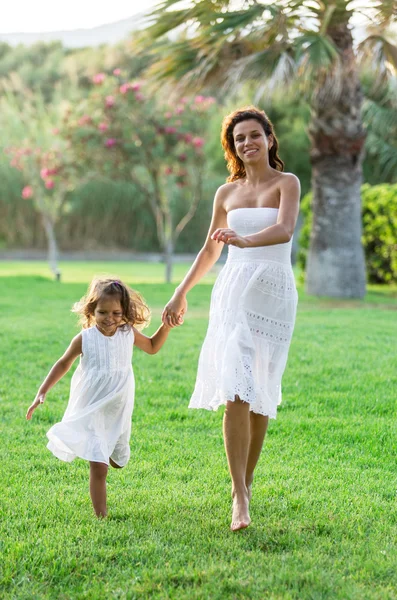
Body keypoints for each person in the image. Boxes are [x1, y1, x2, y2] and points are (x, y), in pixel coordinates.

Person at [162, 106, 300, 531]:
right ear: (233, 146)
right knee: (236, 390)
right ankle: (239, 495)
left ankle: (248, 480)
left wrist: (244, 238)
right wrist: (181, 291)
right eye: (239, 138)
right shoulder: (226, 193)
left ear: (269, 139)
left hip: (273, 293)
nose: (248, 143)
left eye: (254, 135)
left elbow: (284, 230)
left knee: (259, 394)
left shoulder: (287, 183)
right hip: (234, 293)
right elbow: (209, 251)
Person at [26, 277, 176, 518]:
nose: (110, 318)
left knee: (118, 460)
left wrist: (166, 326)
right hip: (92, 405)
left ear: (124, 312)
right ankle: (101, 516)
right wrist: (42, 391)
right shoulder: (85, 338)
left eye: (117, 312)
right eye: (103, 312)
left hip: (119, 407)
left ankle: (107, 452)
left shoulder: (127, 333)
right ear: (91, 311)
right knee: (99, 467)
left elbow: (152, 346)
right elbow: (64, 363)